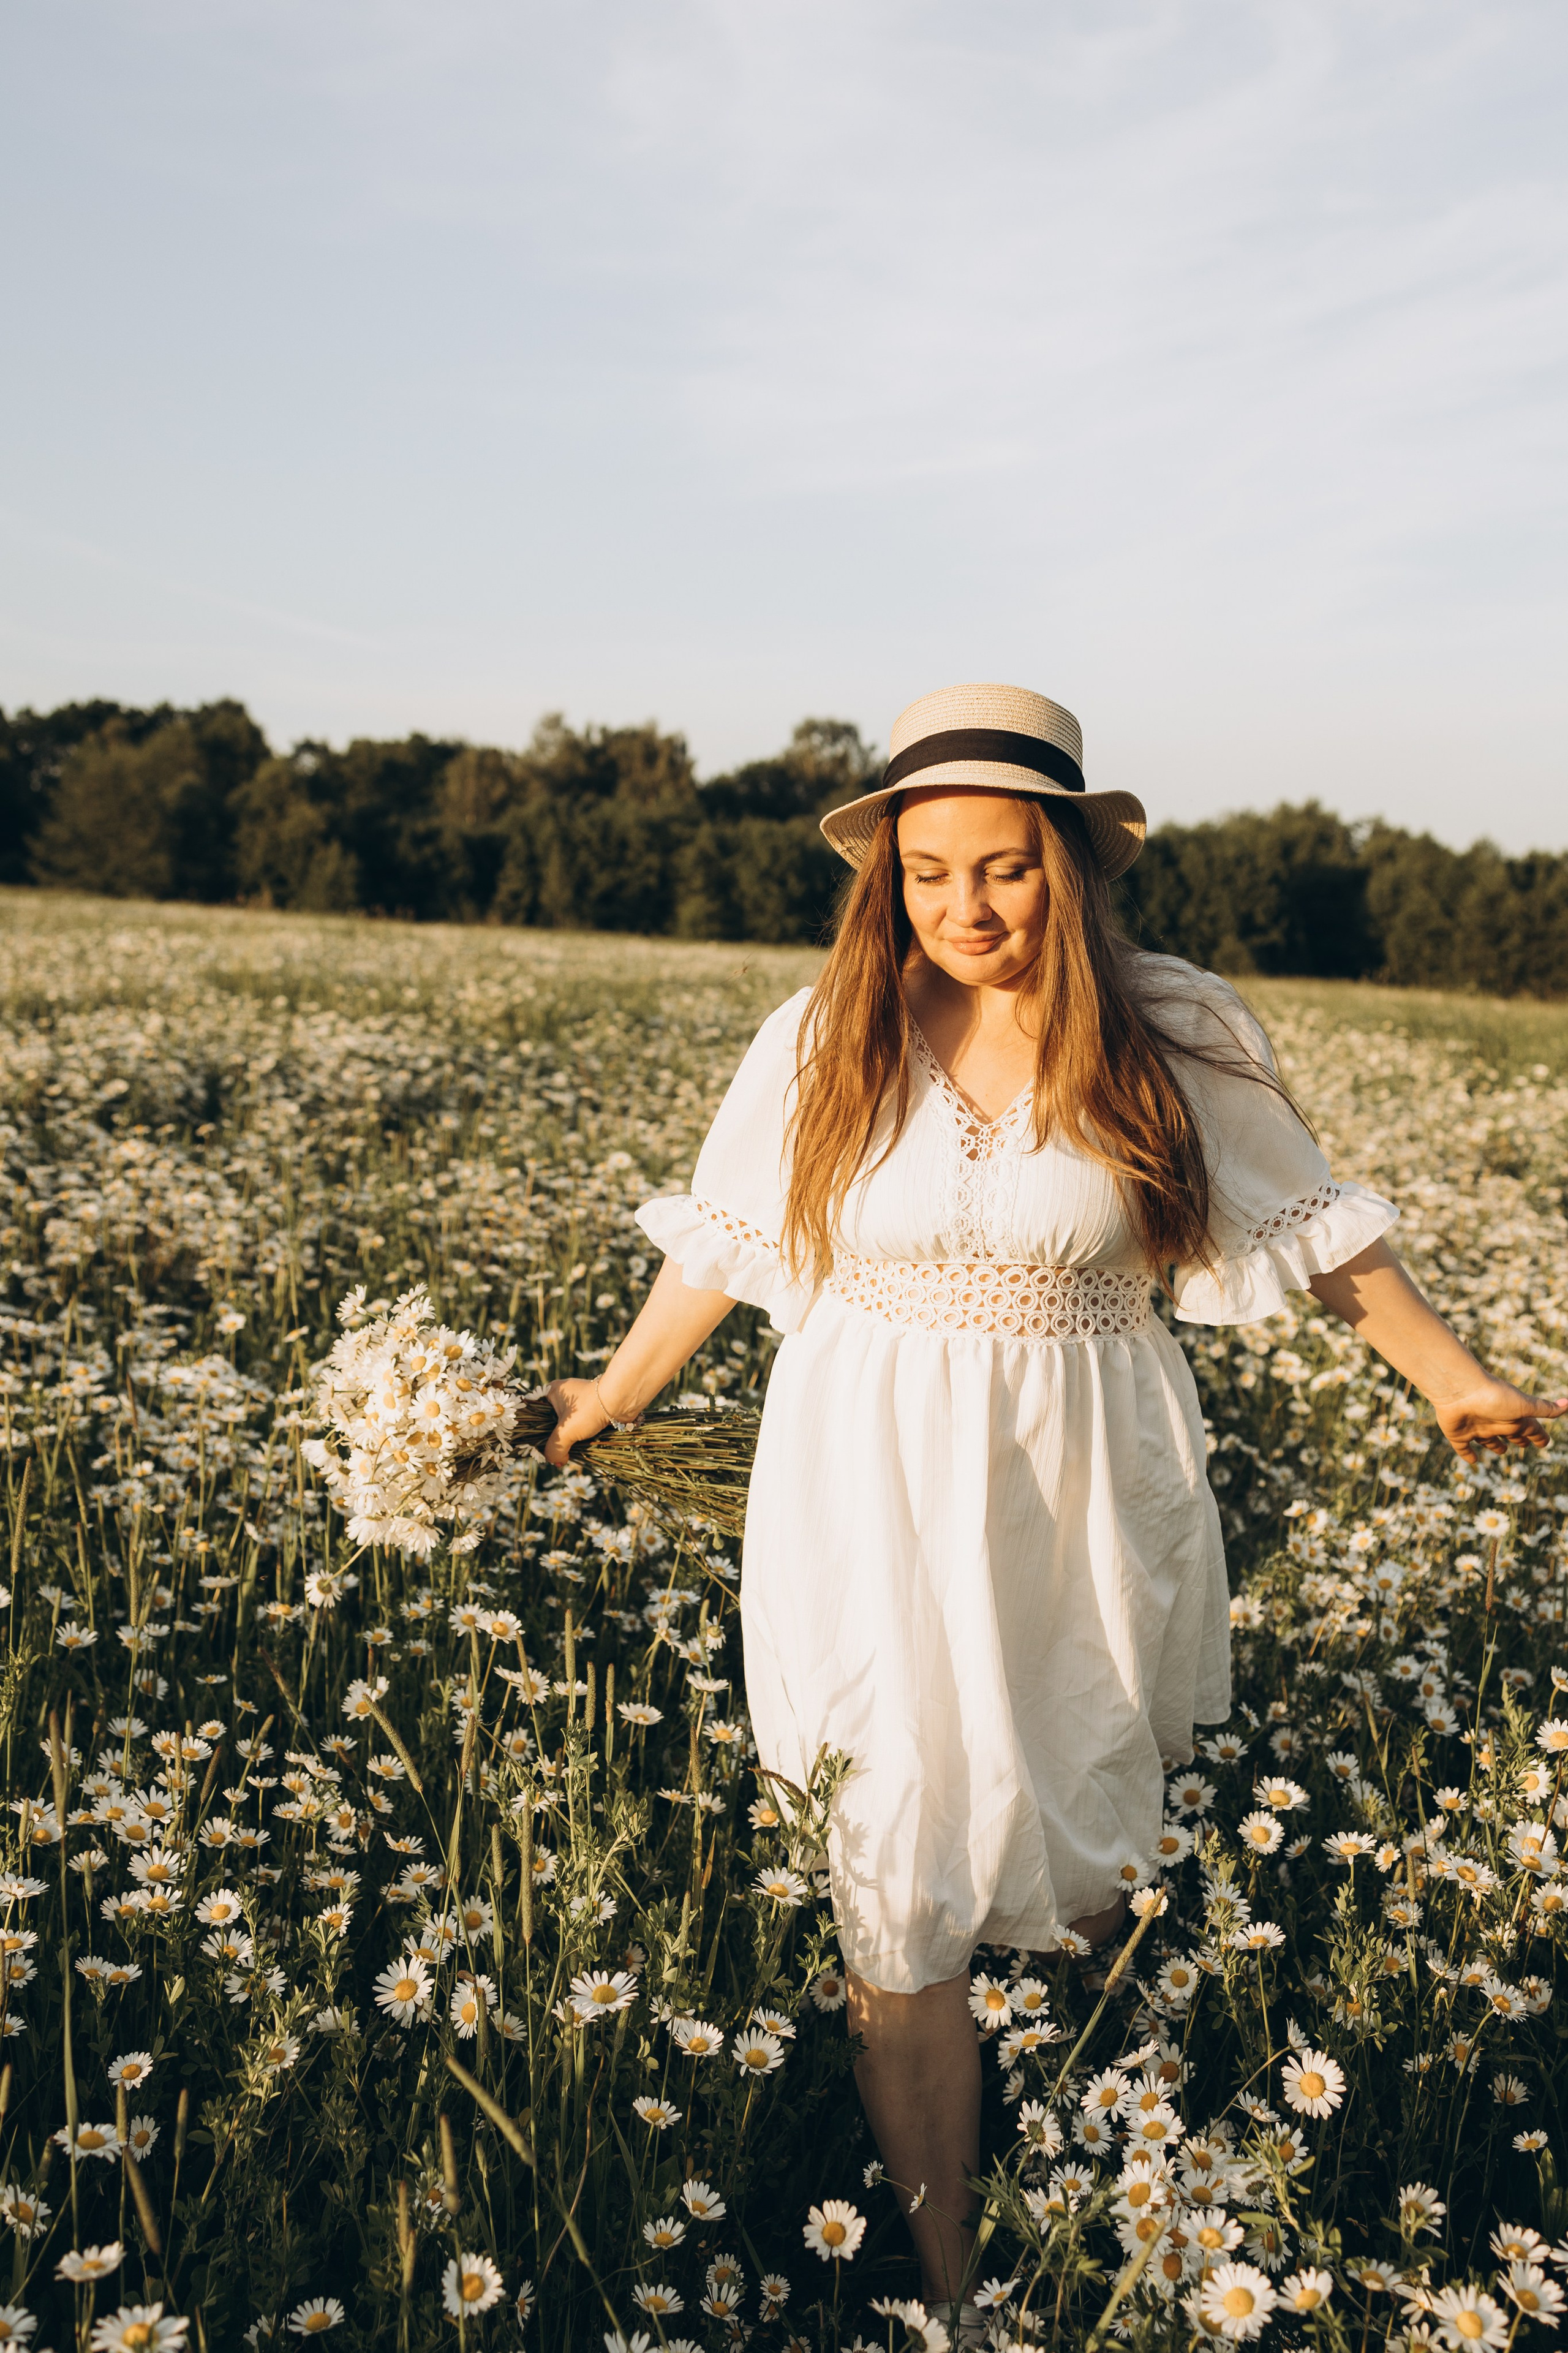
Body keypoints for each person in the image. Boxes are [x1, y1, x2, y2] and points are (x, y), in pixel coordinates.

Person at [545, 681, 1564, 2330]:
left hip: (1079, 1491)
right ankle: (956, 2292)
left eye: (1004, 868)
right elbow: (723, 1243)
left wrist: (1449, 1380)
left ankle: (1128, 2192)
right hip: (858, 1484)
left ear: (1073, 868)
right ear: (889, 878)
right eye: (930, 872)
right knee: (896, 1871)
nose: (965, 908)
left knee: (1090, 1870)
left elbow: (1321, 1234)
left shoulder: (1173, 1026)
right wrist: (611, 1396)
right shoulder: (826, 1034)